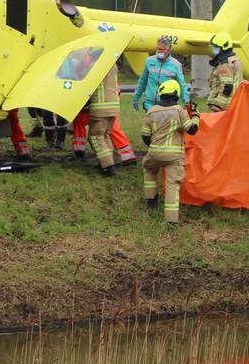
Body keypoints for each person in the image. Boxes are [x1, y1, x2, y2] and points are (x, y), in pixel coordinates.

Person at [141, 80, 199, 226]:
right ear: (176, 93)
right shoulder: (179, 110)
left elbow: (145, 136)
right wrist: (196, 116)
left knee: (149, 168)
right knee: (172, 184)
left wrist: (155, 148)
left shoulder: (151, 111)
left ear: (161, 93)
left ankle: (151, 200)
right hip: (174, 156)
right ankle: (171, 221)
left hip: (154, 152)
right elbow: (191, 130)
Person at [133, 35, 189, 112]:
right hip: (150, 104)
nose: (158, 51)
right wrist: (136, 98)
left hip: (167, 105)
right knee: (151, 124)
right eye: (157, 48)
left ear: (168, 50)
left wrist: (186, 101)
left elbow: (182, 85)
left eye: (161, 49)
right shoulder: (149, 61)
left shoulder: (176, 65)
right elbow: (142, 81)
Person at [88, 61, 123, 176]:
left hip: (100, 107)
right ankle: (106, 162)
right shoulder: (112, 64)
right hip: (113, 106)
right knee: (105, 136)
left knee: (96, 137)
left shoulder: (97, 65)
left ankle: (109, 167)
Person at [70, 108, 136, 165]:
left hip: (99, 108)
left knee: (110, 130)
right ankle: (128, 157)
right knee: (113, 129)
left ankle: (79, 152)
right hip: (108, 107)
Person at [207, 32, 243, 112]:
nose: (213, 49)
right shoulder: (230, 60)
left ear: (223, 47)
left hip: (224, 106)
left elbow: (227, 86)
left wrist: (218, 105)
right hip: (230, 103)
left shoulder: (225, 64)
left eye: (215, 47)